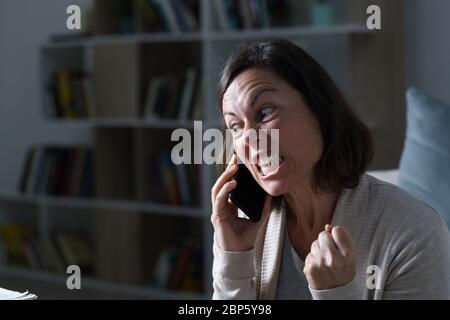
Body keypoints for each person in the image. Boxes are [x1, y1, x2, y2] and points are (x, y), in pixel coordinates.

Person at [210, 39, 450, 300]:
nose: (247, 139)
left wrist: (338, 294)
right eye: (235, 126)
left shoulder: (413, 231)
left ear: (320, 110)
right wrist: (233, 259)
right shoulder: (246, 224)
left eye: (265, 112)